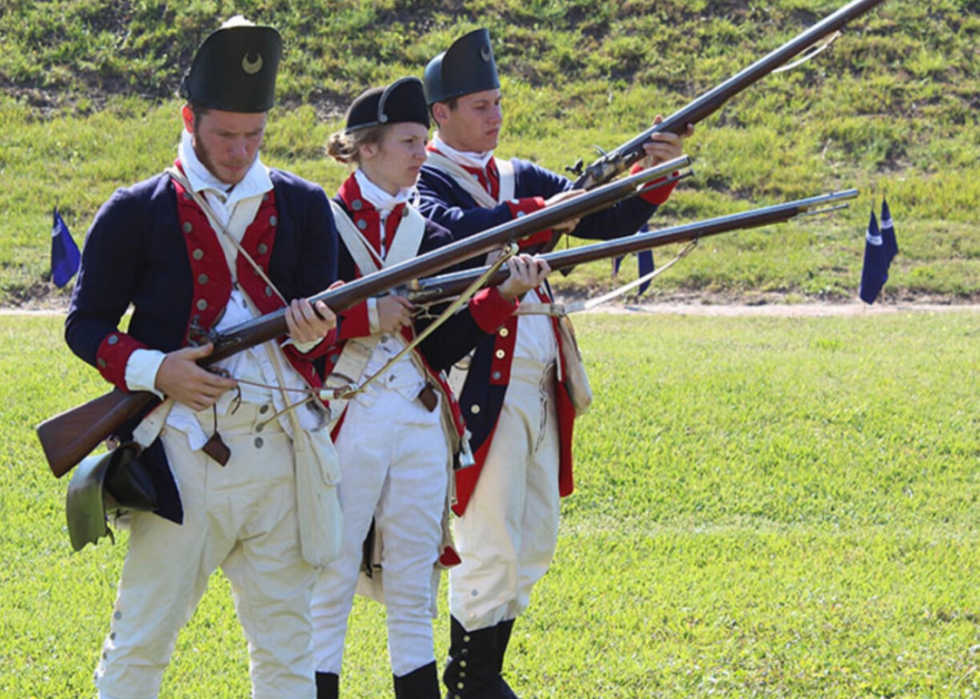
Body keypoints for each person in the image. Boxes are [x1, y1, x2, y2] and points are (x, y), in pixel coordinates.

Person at [64, 17, 342, 699]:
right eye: (224, 134)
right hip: (182, 456)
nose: (240, 150)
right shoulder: (135, 210)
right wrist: (158, 370)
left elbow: (326, 334)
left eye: (254, 135)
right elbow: (85, 325)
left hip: (282, 453)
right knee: (141, 642)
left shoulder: (305, 205)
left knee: (288, 650)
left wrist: (313, 337)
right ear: (189, 118)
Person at [416, 28, 693, 698]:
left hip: (537, 385)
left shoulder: (516, 174)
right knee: (490, 539)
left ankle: (481, 673)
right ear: (440, 115)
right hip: (475, 386)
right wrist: (547, 212)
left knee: (531, 536)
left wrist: (654, 172)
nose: (494, 115)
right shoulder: (419, 183)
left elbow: (605, 217)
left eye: (497, 101)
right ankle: (471, 680)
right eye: (479, 105)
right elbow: (460, 236)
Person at [309, 77, 551, 699]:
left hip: (417, 421)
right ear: (367, 149)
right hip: (346, 417)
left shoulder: (431, 238)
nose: (423, 153)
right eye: (410, 141)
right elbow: (290, 329)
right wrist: (365, 318)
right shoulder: (318, 226)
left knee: (414, 589)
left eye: (423, 140)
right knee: (330, 581)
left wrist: (504, 296)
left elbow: (439, 350)